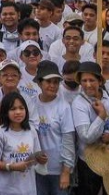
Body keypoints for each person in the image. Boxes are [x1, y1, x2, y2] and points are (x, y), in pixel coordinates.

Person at [70, 61, 109, 195]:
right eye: (84, 80)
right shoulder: (79, 103)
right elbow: (86, 137)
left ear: (100, 81)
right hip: (88, 163)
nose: (88, 84)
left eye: (92, 80)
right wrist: (101, 116)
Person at [30, 61, 73, 195]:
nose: (52, 86)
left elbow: (68, 140)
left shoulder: (64, 107)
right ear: (39, 83)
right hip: (36, 168)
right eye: (48, 81)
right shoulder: (31, 103)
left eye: (56, 82)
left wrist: (66, 172)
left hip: (57, 170)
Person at [0, 91, 46, 195]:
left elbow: (35, 157)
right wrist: (12, 167)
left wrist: (41, 159)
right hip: (6, 190)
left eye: (21, 108)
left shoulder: (31, 130)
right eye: (13, 109)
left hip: (29, 189)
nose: (18, 112)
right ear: (5, 111)